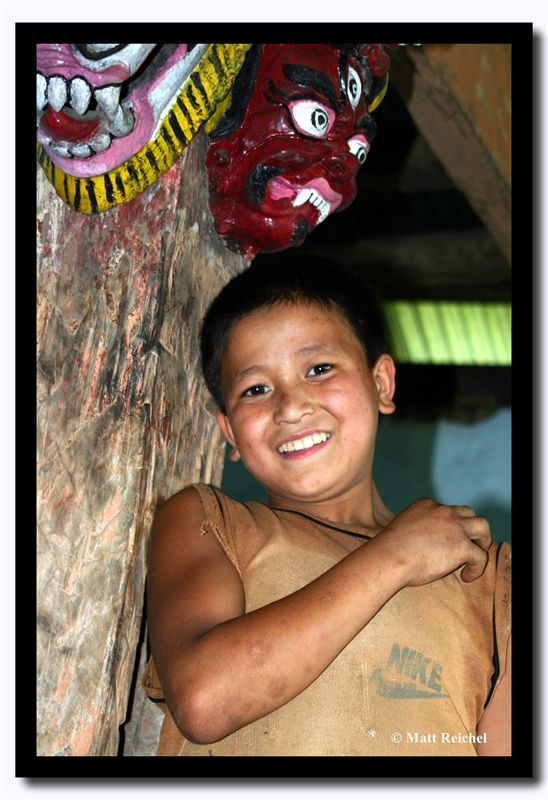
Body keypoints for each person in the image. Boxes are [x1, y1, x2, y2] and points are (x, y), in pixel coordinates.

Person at [143, 252, 511, 756]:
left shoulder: (490, 581)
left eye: (318, 368)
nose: (290, 406)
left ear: (381, 383)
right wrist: (396, 556)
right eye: (255, 388)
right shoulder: (210, 523)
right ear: (228, 429)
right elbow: (205, 701)